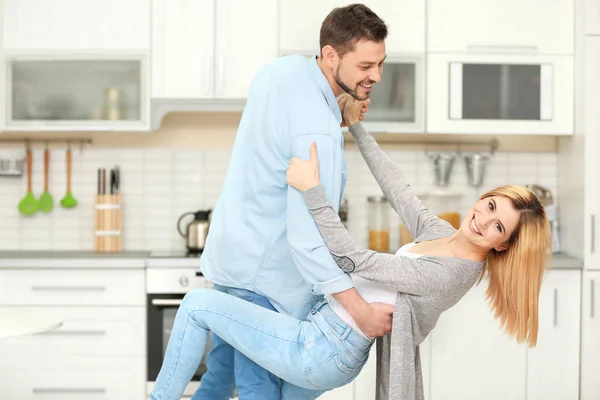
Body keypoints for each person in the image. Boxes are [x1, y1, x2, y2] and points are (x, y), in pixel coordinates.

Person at [149, 96, 552, 400]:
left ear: (503, 246)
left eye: (497, 225)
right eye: (491, 205)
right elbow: (396, 185)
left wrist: (312, 190)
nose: (483, 219)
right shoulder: (443, 234)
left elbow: (350, 257)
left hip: (323, 349)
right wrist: (355, 125)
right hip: (324, 333)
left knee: (196, 307)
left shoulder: (450, 274)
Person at [194, 4, 389, 400]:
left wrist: (338, 109)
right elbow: (309, 236)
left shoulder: (281, 70)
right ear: (331, 55)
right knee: (257, 389)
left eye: (381, 63)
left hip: (231, 263)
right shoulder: (316, 128)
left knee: (219, 378)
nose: (377, 76)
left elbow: (288, 125)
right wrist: (356, 308)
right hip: (266, 281)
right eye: (366, 65)